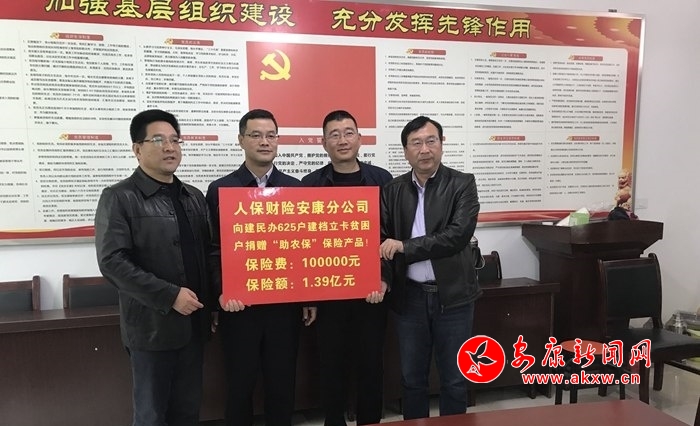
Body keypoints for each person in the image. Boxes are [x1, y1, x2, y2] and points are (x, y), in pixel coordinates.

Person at [95, 109, 217, 426]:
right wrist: (169, 295)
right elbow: (112, 262)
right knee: (151, 415)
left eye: (175, 140)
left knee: (187, 411)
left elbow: (207, 256)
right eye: (159, 140)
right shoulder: (119, 197)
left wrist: (213, 306)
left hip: (194, 326)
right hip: (151, 330)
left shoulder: (193, 197)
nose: (170, 147)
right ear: (137, 149)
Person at [206, 108, 316, 426]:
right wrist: (220, 295)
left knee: (282, 385)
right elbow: (213, 249)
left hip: (284, 306)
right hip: (239, 307)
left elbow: (305, 248)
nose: (264, 142)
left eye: (271, 135)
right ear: (241, 140)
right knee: (239, 385)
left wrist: (308, 296)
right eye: (256, 135)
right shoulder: (221, 189)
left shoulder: (296, 189)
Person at [379, 115, 480, 419]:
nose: (424, 149)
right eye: (416, 143)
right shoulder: (392, 190)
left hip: (454, 298)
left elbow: (456, 236)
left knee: (455, 379)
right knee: (412, 380)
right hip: (409, 297)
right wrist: (383, 278)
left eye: (431, 141)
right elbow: (382, 240)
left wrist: (405, 246)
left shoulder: (462, 184)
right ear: (406, 151)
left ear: (441, 144)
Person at [301, 110, 392, 426]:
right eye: (334, 134)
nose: (342, 140)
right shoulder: (310, 185)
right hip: (328, 296)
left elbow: (392, 234)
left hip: (372, 293)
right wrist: (309, 296)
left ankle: (370, 421)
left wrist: (384, 279)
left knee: (371, 365)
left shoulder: (382, 180)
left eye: (348, 132)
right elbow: (303, 243)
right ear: (324, 142)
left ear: (360, 138)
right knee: (331, 366)